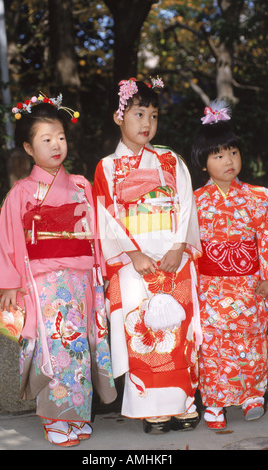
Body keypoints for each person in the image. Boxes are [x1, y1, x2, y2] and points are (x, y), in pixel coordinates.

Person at [0, 93, 116, 446]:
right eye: (45, 139)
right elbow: (8, 241)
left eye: (60, 137)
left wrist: (100, 272)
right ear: (29, 149)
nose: (56, 145)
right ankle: (53, 418)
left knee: (80, 348)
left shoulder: (80, 185)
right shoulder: (21, 191)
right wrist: (10, 284)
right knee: (54, 347)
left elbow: (96, 234)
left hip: (81, 280)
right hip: (43, 283)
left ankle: (75, 414)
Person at [92, 77, 202, 434]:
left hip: (173, 256)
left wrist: (177, 247)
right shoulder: (107, 167)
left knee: (177, 330)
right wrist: (133, 253)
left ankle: (184, 403)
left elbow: (186, 203)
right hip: (133, 262)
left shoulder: (170, 160)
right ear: (118, 117)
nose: (147, 124)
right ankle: (150, 408)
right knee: (140, 331)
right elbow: (104, 214)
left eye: (153, 116)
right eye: (139, 114)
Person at [191, 100, 268, 429]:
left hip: (250, 284)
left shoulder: (257, 197)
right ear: (203, 162)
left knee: (251, 338)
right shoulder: (196, 202)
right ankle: (214, 402)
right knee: (213, 343)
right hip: (211, 288)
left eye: (232, 153)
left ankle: (252, 395)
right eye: (218, 155)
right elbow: (190, 247)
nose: (228, 161)